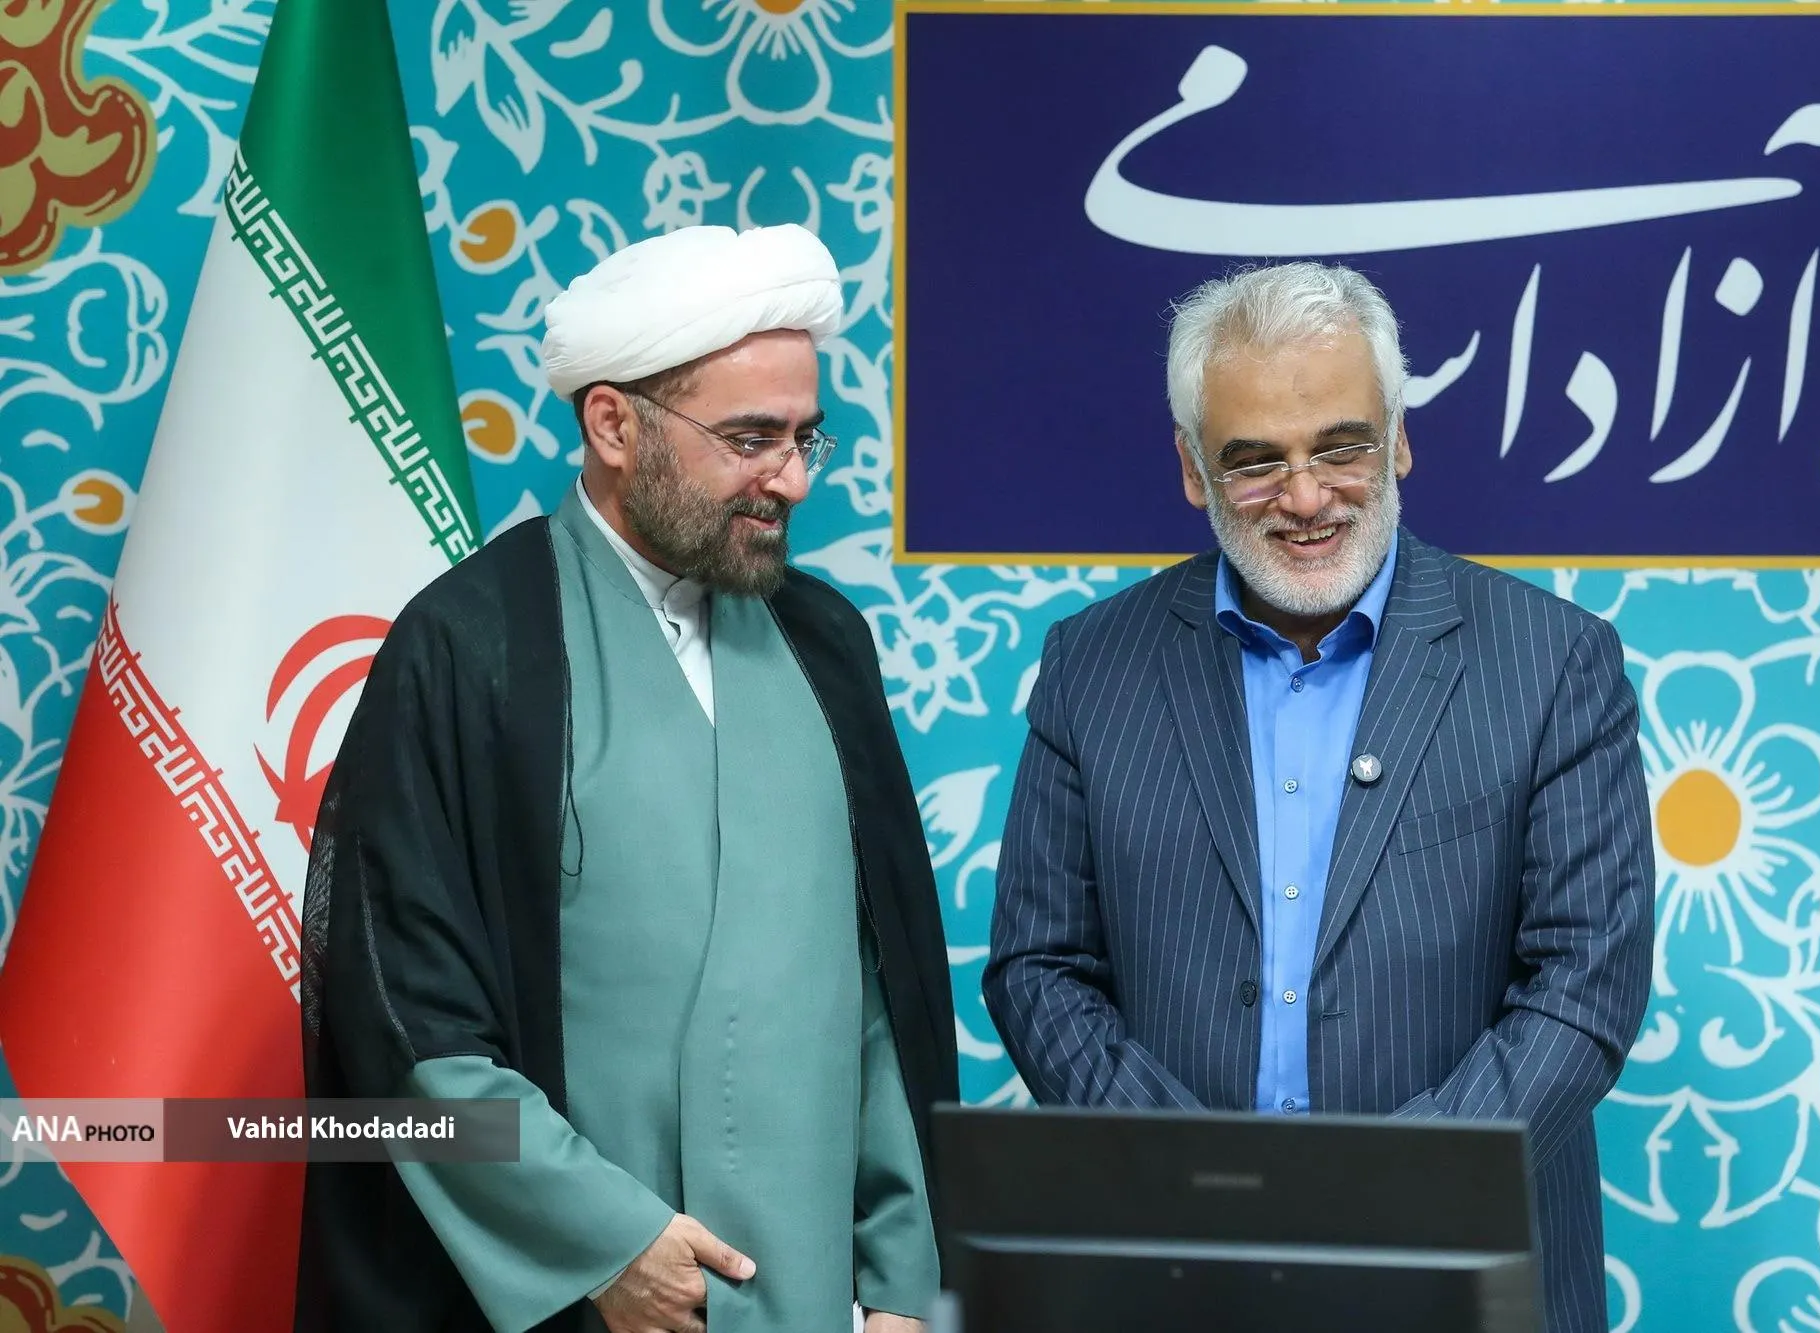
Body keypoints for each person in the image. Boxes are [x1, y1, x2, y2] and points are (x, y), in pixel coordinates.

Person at [298, 224, 956, 1333]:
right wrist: (600, 1242)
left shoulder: (826, 645)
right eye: (749, 438)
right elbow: (404, 1015)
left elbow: (882, 995)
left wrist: (900, 1282)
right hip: (579, 1295)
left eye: (805, 437)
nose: (792, 479)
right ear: (612, 424)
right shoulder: (469, 646)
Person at [984, 261, 1655, 1333]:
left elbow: (1584, 987)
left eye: (1341, 447)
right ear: (1193, 469)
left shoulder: (1552, 663)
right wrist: (1193, 1181)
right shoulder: (1089, 666)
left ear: (1398, 439)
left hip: (1462, 1285)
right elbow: (1039, 966)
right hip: (1170, 1283)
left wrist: (1380, 1194)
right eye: (1254, 462)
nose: (1304, 498)